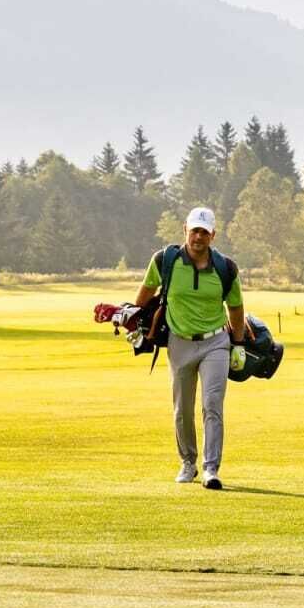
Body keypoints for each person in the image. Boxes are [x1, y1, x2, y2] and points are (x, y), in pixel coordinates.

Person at [129, 206, 252, 491]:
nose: (199, 237)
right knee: (182, 409)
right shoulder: (165, 261)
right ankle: (188, 462)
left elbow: (235, 308)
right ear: (185, 229)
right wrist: (134, 323)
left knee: (212, 405)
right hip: (179, 342)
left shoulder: (226, 268)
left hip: (215, 343)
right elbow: (144, 295)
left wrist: (238, 344)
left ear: (213, 235)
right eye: (195, 230)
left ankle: (211, 469)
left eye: (204, 232)